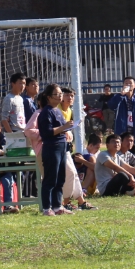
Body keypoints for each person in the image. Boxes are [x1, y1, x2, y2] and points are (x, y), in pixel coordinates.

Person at [37, 83, 75, 216]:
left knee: (60, 178)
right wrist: (63, 128)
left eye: (60, 94)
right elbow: (46, 132)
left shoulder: (57, 111)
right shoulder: (45, 112)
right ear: (48, 97)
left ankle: (57, 206)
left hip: (61, 146)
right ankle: (47, 208)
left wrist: (70, 126)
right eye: (56, 94)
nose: (60, 97)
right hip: (51, 148)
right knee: (50, 179)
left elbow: (62, 127)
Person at [107, 76, 135, 142]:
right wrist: (121, 94)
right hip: (122, 133)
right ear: (123, 85)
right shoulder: (119, 98)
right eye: (126, 83)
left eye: (130, 83)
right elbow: (111, 105)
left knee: (134, 150)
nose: (128, 85)